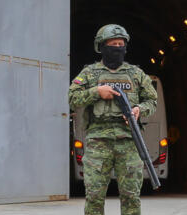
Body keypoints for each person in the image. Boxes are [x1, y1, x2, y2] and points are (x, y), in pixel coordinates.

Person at [68, 24, 158, 215]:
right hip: (98, 142)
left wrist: (138, 110)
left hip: (129, 141)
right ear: (101, 46)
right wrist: (96, 92)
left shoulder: (136, 74)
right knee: (94, 196)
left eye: (121, 44)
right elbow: (72, 96)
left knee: (131, 197)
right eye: (113, 44)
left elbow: (152, 100)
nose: (117, 48)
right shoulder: (90, 73)